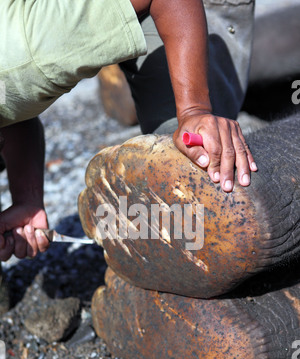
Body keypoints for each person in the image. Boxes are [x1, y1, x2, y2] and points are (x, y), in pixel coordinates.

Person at [0, 0, 257, 262]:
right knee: (184, 208)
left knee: (201, 168)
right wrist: (27, 200)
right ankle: (114, 41)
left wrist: (195, 110)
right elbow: (16, 110)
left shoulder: (28, 49)